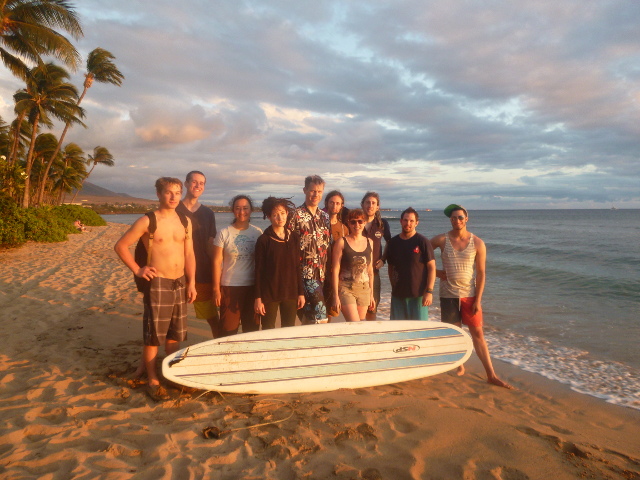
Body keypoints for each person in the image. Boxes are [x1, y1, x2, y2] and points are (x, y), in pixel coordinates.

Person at [114, 177, 196, 401]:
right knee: (153, 335)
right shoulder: (148, 220)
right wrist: (137, 269)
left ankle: (173, 374)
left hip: (179, 281)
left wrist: (193, 283)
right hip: (158, 282)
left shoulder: (185, 221)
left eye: (177, 193)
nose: (173, 197)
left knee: (174, 335)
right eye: (168, 192)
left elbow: (189, 254)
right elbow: (121, 246)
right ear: (159, 194)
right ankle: (152, 378)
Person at [431, 204, 513, 389]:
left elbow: (482, 273)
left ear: (466, 219)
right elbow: (421, 253)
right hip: (448, 294)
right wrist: (435, 272)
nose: (457, 220)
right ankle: (459, 364)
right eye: (453, 218)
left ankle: (491, 375)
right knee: (454, 333)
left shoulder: (477, 243)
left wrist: (478, 299)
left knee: (478, 334)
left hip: (470, 296)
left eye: (460, 217)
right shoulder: (442, 240)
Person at [212, 195, 262, 337]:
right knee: (228, 330)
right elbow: (216, 262)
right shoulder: (224, 233)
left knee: (251, 331)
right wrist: (216, 289)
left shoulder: (257, 232)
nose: (242, 212)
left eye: (245, 208)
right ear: (233, 211)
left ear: (251, 210)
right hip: (230, 287)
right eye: (238, 208)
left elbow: (262, 263)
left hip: (253, 288)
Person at [176, 171, 218, 337]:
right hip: (177, 272)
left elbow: (210, 244)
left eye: (201, 183)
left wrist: (217, 270)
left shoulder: (208, 213)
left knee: (212, 317)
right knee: (174, 316)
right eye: (194, 182)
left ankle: (221, 349)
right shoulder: (174, 209)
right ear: (186, 184)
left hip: (203, 272)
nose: (198, 185)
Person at [254, 197, 305, 329]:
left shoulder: (294, 237)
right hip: (269, 294)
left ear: (287, 213)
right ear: (269, 217)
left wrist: (300, 293)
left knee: (288, 330)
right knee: (268, 330)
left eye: (282, 213)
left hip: (290, 292)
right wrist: (258, 298)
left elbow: (297, 267)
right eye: (275, 214)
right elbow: (258, 271)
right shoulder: (264, 240)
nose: (280, 217)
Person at [289, 175, 331, 324]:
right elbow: (289, 246)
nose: (316, 195)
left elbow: (327, 245)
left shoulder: (325, 217)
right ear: (305, 190)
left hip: (322, 273)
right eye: (312, 191)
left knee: (308, 317)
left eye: (319, 191)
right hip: (304, 273)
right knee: (321, 315)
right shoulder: (295, 215)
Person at [386, 207, 435, 320]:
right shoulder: (393, 242)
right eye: (405, 220)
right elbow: (390, 266)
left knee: (420, 331)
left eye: (411, 221)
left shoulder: (422, 241)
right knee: (397, 331)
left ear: (416, 223)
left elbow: (431, 267)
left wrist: (429, 291)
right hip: (398, 295)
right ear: (401, 221)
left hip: (418, 296)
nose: (408, 223)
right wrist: (393, 286)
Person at [332, 209, 375, 322]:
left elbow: (370, 271)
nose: (357, 225)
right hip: (346, 288)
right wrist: (335, 296)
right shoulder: (342, 242)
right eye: (353, 222)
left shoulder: (370, 242)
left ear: (364, 222)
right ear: (348, 223)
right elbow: (335, 270)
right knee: (354, 323)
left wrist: (371, 294)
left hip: (364, 288)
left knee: (360, 325)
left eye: (360, 221)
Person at [361, 192, 392, 320]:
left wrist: (383, 260)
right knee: (357, 309)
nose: (370, 205)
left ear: (378, 207)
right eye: (367, 202)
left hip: (373, 273)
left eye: (373, 203)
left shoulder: (382, 223)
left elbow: (390, 242)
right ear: (362, 204)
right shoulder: (355, 222)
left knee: (372, 309)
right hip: (355, 273)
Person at [323, 190, 349, 319]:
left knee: (331, 312)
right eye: (332, 202)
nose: (334, 206)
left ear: (341, 206)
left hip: (336, 274)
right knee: (318, 313)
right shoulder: (319, 223)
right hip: (320, 272)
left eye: (337, 203)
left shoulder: (344, 228)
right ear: (326, 203)